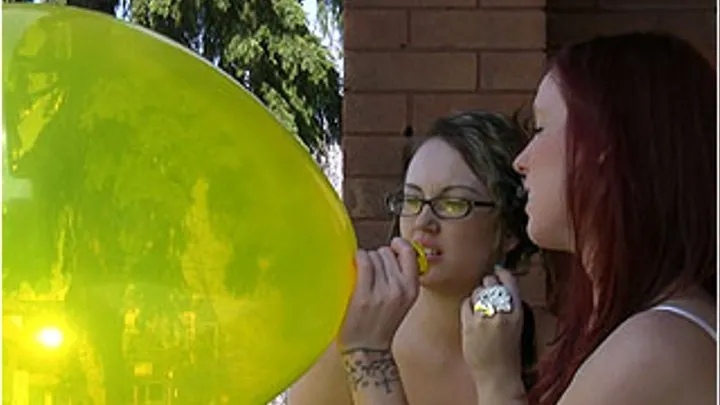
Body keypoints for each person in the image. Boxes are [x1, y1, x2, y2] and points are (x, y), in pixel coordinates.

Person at [335, 31, 717, 405]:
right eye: (411, 200)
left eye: (541, 128)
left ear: (602, 149)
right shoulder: (647, 331)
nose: (522, 161)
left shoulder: (650, 349)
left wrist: (370, 355)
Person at [288, 111, 556, 405]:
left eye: (453, 204)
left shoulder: (552, 349)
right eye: (412, 200)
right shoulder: (347, 344)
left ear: (508, 231)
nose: (423, 221)